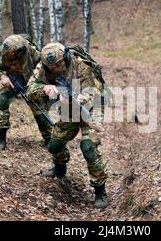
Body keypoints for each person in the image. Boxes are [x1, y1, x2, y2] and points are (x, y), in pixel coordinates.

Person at [26, 42, 108, 209]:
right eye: (51, 67)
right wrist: (46, 88)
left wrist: (72, 99)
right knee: (54, 145)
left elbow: (92, 92)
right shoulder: (43, 67)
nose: (55, 69)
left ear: (65, 58)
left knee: (88, 147)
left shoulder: (82, 66)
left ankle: (100, 190)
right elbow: (30, 89)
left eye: (58, 65)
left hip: (90, 108)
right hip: (67, 110)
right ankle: (60, 168)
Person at [0, 34, 52, 150]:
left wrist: (39, 85)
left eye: (20, 52)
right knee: (3, 102)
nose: (18, 55)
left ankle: (48, 139)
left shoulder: (31, 50)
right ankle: (1, 139)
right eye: (15, 53)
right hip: (12, 80)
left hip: (30, 81)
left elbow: (42, 67)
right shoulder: (2, 52)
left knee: (39, 110)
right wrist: (2, 76)